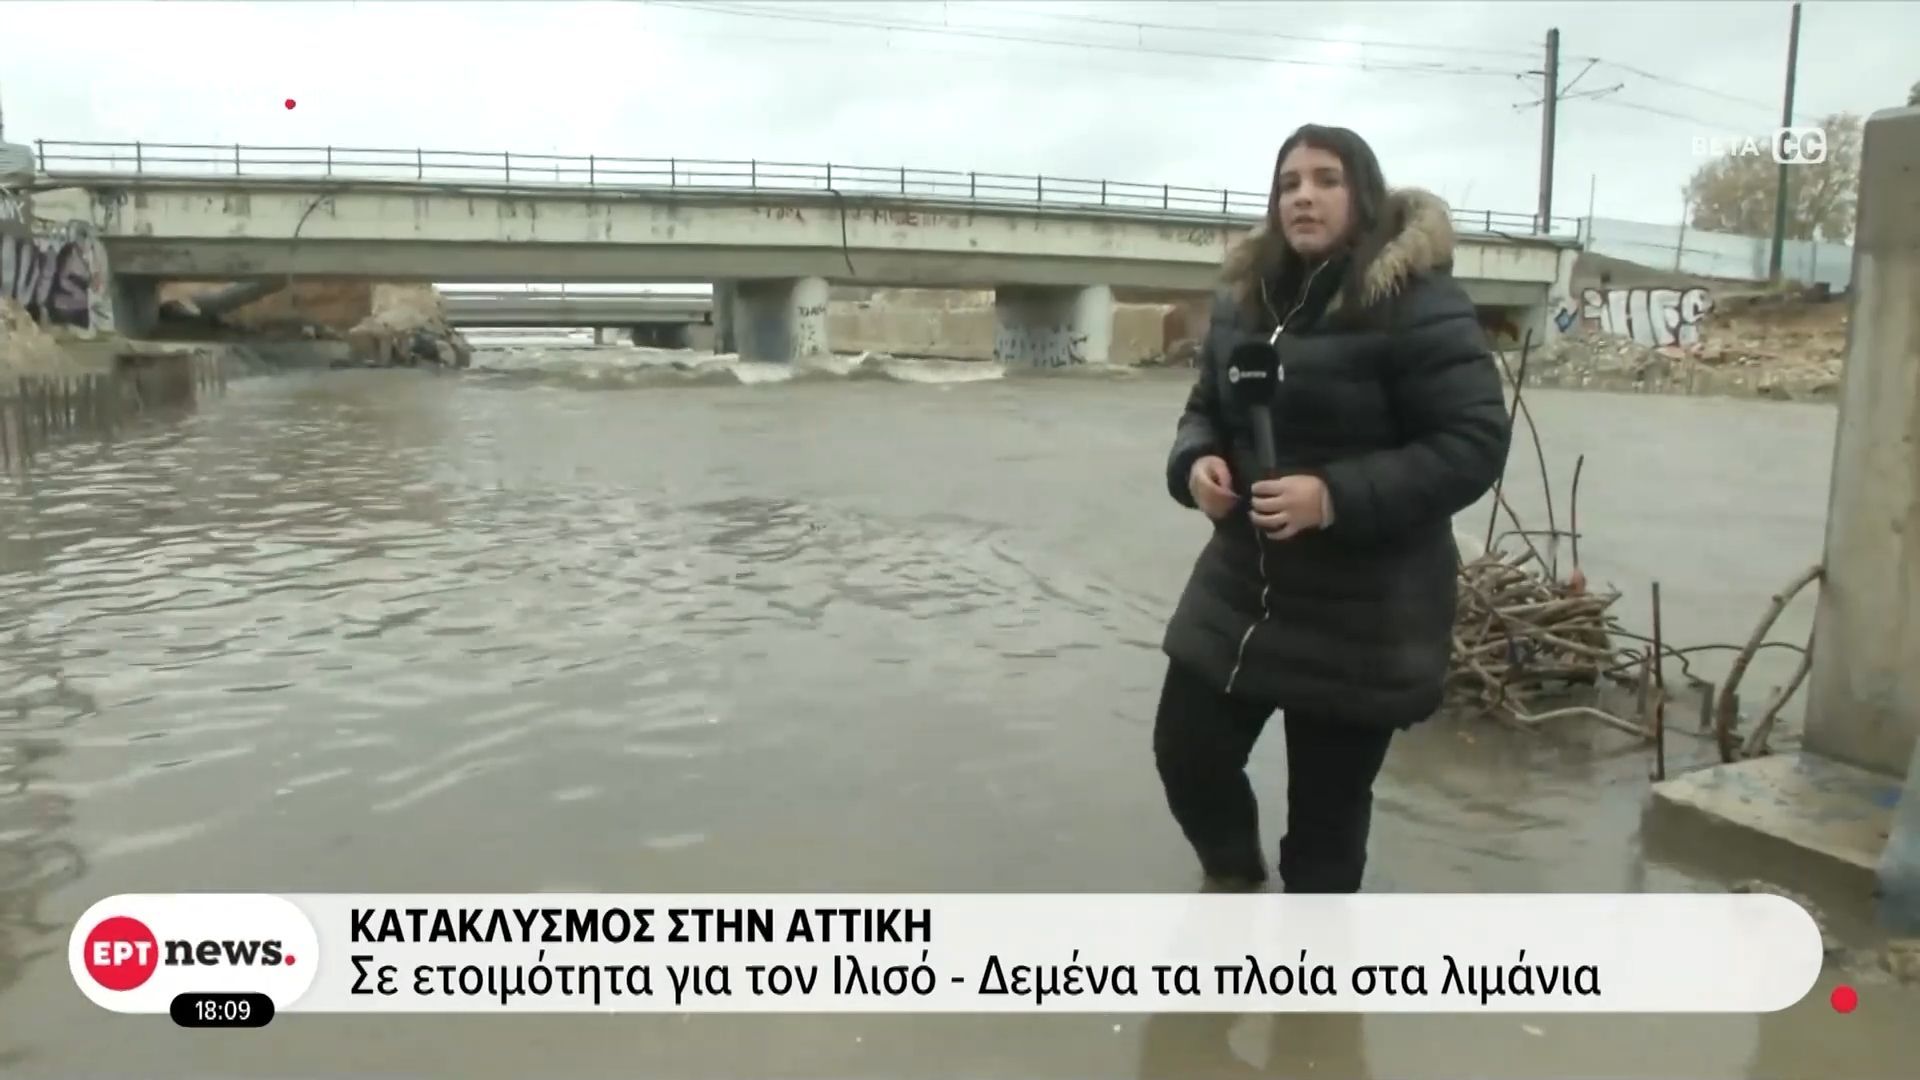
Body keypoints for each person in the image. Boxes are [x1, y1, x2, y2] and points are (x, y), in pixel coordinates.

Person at [1154, 124, 1512, 892]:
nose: (1304, 197)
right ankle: (1232, 893)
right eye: (1289, 184)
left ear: (1364, 195)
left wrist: (1334, 497)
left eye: (1325, 180)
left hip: (1365, 612)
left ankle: (1310, 961)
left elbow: (1474, 443)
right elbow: (1204, 408)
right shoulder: (1244, 300)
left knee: (1324, 831)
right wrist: (1196, 464)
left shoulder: (1418, 303)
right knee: (1187, 755)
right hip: (1241, 589)